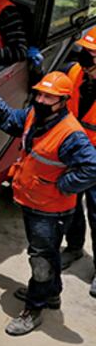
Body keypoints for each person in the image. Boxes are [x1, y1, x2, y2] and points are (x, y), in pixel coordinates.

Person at [0, 72, 96, 335]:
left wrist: (61, 187)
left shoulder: (71, 134)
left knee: (40, 260)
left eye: (48, 97)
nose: (41, 99)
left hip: (51, 209)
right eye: (40, 93)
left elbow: (92, 168)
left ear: (63, 101)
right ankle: (51, 294)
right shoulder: (35, 115)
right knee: (46, 252)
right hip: (33, 200)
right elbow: (12, 120)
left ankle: (34, 308)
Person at [61, 29, 96, 283]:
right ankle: (74, 248)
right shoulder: (75, 72)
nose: (86, 58)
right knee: (71, 207)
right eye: (85, 51)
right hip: (74, 152)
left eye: (93, 55)